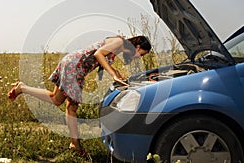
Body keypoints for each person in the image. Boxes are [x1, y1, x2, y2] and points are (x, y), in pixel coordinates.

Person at [8, 35, 151, 156]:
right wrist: (113, 74)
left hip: (73, 64)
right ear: (137, 47)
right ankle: (75, 145)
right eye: (141, 54)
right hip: (75, 67)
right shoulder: (119, 42)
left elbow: (103, 59)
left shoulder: (120, 45)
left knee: (56, 99)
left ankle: (23, 88)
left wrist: (118, 74)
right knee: (72, 107)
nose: (139, 57)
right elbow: (98, 54)